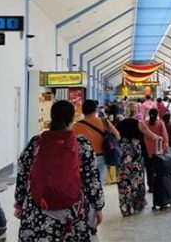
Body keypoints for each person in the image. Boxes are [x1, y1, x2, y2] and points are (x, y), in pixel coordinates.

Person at [14, 100, 104, 241]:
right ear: (72, 118)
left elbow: (22, 173)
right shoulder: (81, 144)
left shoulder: (35, 143)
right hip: (72, 211)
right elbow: (92, 179)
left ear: (52, 116)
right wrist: (98, 207)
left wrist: (19, 203)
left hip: (37, 208)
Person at [115, 115, 162, 217]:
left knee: (123, 181)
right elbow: (150, 135)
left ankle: (126, 208)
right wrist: (158, 137)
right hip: (134, 153)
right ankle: (137, 204)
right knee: (136, 179)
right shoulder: (138, 123)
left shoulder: (118, 125)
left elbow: (115, 137)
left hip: (121, 153)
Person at [72, 99, 121, 185]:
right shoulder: (104, 122)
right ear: (95, 110)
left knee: (85, 183)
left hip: (84, 158)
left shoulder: (76, 126)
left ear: (83, 111)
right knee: (99, 182)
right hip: (101, 156)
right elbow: (118, 136)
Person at [143, 108, 169, 192]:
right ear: (157, 114)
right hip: (158, 150)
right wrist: (166, 148)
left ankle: (151, 186)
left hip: (146, 150)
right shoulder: (160, 123)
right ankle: (158, 185)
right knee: (158, 169)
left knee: (149, 169)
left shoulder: (144, 123)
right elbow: (164, 136)